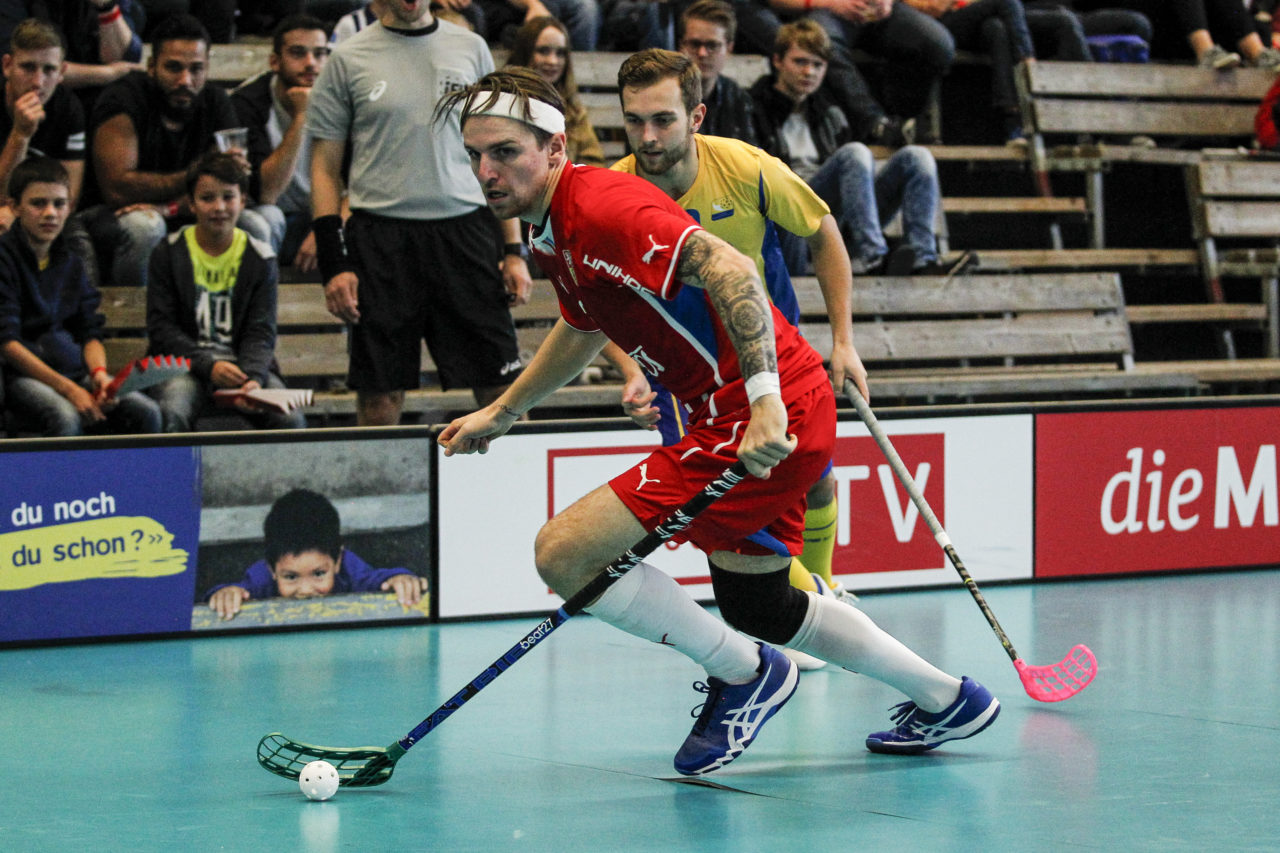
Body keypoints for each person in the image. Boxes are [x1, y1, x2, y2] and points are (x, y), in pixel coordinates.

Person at [436, 67, 1000, 773]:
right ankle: (950, 699)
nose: (486, 171)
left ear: (552, 149)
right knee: (758, 600)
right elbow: (583, 323)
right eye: (475, 156)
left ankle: (746, 673)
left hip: (765, 408)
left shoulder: (605, 206)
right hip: (735, 410)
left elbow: (732, 270)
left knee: (565, 552)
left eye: (504, 152)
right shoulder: (550, 231)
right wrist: (505, 409)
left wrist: (764, 401)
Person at [610, 48, 863, 648]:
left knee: (815, 481)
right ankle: (811, 613)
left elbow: (824, 234)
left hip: (776, 356)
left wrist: (844, 342)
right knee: (731, 506)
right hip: (686, 372)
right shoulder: (614, 195)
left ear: (696, 116)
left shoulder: (747, 168)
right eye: (634, 121)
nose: (648, 136)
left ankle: (820, 595)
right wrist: (629, 368)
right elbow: (600, 300)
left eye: (663, 119)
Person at [306, 0, 532, 426]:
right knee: (380, 397)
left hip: (464, 233)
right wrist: (334, 263)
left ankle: (517, 490)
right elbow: (323, 167)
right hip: (380, 240)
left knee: (502, 392)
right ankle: (382, 492)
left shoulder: (471, 48)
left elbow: (497, 154)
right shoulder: (348, 57)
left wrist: (514, 249)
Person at [85, 14, 278, 289]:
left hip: (186, 209)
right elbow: (117, 189)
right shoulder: (124, 98)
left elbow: (230, 181)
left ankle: (239, 323)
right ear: (152, 66)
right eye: (174, 68)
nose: (185, 80)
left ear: (207, 67)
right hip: (116, 214)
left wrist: (170, 206)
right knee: (146, 227)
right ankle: (135, 325)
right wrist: (197, 176)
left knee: (256, 225)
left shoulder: (216, 101)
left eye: (196, 69)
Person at [750, 19, 950, 276]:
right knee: (854, 154)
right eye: (800, 62)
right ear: (777, 61)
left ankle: (924, 258)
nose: (809, 72)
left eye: (817, 65)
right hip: (790, 219)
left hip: (834, 220)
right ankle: (874, 256)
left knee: (917, 157)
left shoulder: (829, 112)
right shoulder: (753, 106)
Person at [144, 152, 305, 433]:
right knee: (173, 409)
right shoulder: (168, 253)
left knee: (290, 419)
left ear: (243, 201)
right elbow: (162, 330)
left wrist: (253, 378)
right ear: (191, 204)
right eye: (207, 198)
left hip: (243, 367)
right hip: (183, 366)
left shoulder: (261, 258)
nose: (219, 207)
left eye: (228, 197)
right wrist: (209, 366)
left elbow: (261, 331)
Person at [0, 156, 161, 435]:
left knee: (146, 413)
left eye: (59, 204)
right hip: (22, 377)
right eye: (39, 204)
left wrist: (99, 375)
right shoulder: (4, 258)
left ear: (69, 207)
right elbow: (8, 345)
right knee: (65, 416)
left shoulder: (71, 260)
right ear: (14, 207)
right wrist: (70, 390)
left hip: (76, 373)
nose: (50, 213)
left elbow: (90, 332)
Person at [205, 487, 429, 622]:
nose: (305, 590)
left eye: (319, 574)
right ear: (272, 570)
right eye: (291, 577)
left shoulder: (350, 570)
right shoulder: (261, 579)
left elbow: (377, 579)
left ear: (338, 561)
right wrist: (225, 594)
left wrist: (400, 578)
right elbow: (237, 592)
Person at [232, 14, 331, 271]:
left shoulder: (342, 98)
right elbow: (267, 193)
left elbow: (360, 184)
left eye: (320, 54)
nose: (311, 64)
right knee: (266, 218)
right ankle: (264, 301)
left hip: (322, 215)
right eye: (298, 53)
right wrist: (301, 117)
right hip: (275, 215)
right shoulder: (248, 102)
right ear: (275, 61)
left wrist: (327, 228)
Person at [902, 0, 1035, 143]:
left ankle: (1013, 124)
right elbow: (932, 8)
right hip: (931, 28)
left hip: (966, 19)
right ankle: (1028, 63)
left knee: (996, 29)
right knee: (1008, 2)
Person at [0, 19, 87, 231]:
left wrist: (19, 214)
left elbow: (68, 199)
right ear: (7, 65)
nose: (38, 82)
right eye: (28, 67)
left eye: (49, 70)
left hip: (39, 214)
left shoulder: (69, 109)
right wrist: (20, 134)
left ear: (61, 72)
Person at [506, 15, 604, 166]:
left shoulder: (573, 111)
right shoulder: (503, 103)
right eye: (543, 51)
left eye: (560, 53)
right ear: (525, 53)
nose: (553, 61)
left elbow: (593, 161)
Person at [678, 0, 759, 146]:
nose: (702, 53)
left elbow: (750, 159)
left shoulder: (737, 97)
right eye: (695, 44)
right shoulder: (662, 95)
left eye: (712, 45)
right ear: (681, 46)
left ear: (729, 49)